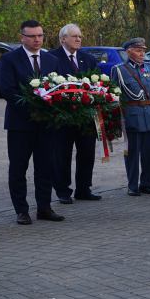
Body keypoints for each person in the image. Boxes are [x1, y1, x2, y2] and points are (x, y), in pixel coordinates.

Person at [0, 19, 65, 225]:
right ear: (22, 37)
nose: (37, 39)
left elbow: (59, 89)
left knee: (46, 166)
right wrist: (34, 109)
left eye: (40, 35)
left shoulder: (51, 60)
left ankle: (44, 207)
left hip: (46, 124)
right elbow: (7, 90)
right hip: (20, 124)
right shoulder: (10, 59)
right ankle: (21, 210)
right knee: (18, 168)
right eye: (32, 36)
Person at [48, 23, 102, 203]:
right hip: (62, 116)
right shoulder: (51, 57)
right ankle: (63, 190)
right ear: (63, 39)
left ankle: (83, 189)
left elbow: (97, 84)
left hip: (86, 116)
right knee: (62, 154)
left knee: (87, 152)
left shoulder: (88, 59)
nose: (78, 39)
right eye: (74, 36)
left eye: (79, 36)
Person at [112, 37, 150, 197]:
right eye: (138, 50)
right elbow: (114, 96)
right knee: (132, 153)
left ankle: (147, 184)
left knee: (149, 153)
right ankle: (132, 185)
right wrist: (117, 120)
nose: (142, 54)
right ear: (129, 52)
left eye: (143, 50)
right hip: (132, 116)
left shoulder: (149, 67)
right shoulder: (119, 70)